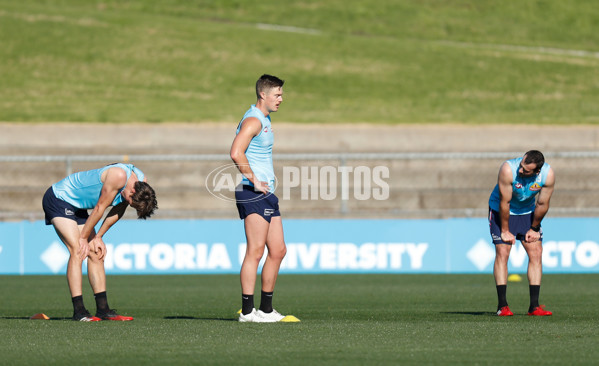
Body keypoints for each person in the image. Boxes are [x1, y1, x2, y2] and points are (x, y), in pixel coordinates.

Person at [42, 163, 157, 321]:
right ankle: (79, 311)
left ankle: (103, 310)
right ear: (132, 190)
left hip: (79, 206)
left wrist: (98, 237)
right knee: (78, 250)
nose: (129, 204)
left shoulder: (141, 180)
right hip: (59, 199)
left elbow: (118, 210)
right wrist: (83, 238)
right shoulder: (118, 176)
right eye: (131, 201)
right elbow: (99, 209)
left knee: (96, 253)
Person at [230, 74, 290, 323]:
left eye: (281, 94)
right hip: (253, 192)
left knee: (278, 250)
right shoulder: (254, 120)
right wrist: (254, 179)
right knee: (255, 251)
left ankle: (266, 310)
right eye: (277, 94)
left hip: (266, 194)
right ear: (263, 95)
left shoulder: (263, 118)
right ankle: (247, 312)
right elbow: (235, 152)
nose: (281, 99)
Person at [488, 150, 555, 316]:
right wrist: (505, 230)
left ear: (537, 171)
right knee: (503, 251)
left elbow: (543, 203)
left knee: (536, 252)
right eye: (521, 166)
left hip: (527, 212)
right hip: (502, 210)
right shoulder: (508, 169)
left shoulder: (547, 175)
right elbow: (505, 201)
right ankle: (502, 306)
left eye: (526, 170)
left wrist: (534, 228)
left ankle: (534, 307)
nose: (520, 171)